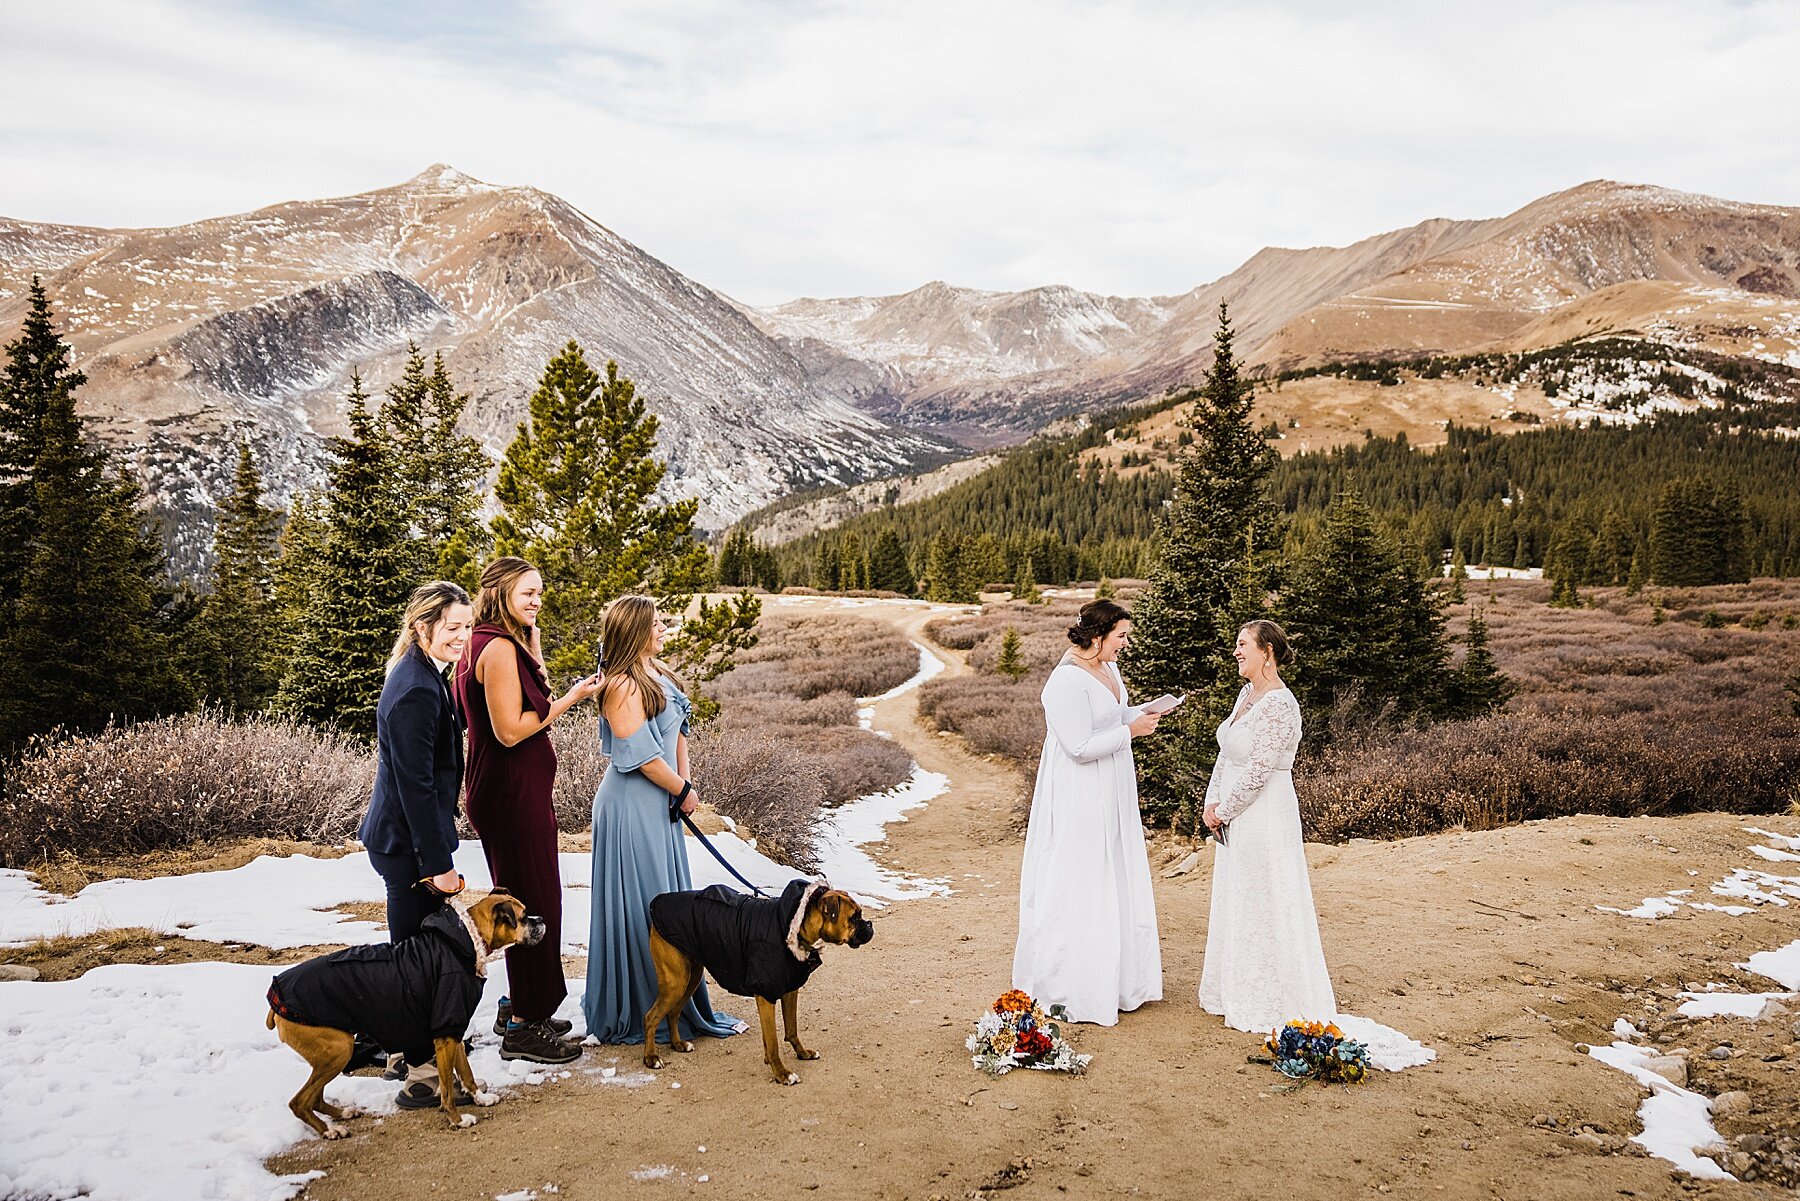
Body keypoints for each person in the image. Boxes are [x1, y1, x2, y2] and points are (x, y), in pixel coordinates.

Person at [455, 556, 602, 1065]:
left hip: (518, 793)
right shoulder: (494, 648)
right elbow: (511, 730)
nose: (537, 601)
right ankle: (522, 1026)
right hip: (510, 796)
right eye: (527, 594)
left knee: (533, 896)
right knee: (533, 904)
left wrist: (532, 638)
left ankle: (523, 1005)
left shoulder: (503, 641)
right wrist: (571, 699)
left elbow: (529, 686)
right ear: (500, 595)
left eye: (540, 593)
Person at [583, 595, 743, 1046]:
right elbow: (641, 758)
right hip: (631, 804)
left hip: (663, 799)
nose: (663, 629)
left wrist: (683, 787)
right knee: (646, 901)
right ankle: (639, 1005)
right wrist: (682, 791)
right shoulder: (621, 685)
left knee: (670, 898)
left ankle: (676, 999)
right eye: (655, 623)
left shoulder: (659, 674)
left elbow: (678, 741)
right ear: (634, 629)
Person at [1011, 598, 1164, 1025]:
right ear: (1096, 638)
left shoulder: (1108, 668)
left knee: (1114, 869)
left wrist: (1141, 715)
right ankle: (1074, 985)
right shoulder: (1063, 683)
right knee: (1083, 876)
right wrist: (1127, 732)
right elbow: (1078, 747)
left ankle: (1118, 978)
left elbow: (1110, 717)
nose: (1125, 644)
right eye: (1121, 636)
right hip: (1081, 792)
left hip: (1113, 785)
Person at [356, 580, 474, 1107]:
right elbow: (415, 787)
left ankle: (405, 1050)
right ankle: (422, 1073)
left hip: (408, 839)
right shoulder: (416, 688)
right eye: (453, 628)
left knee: (411, 951)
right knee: (418, 960)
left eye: (467, 627)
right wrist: (439, 865)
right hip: (406, 844)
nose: (462, 637)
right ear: (423, 626)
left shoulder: (425, 674)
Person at [1199, 619, 1336, 1032]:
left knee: (1266, 892)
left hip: (1265, 811)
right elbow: (1229, 754)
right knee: (1239, 894)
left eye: (1243, 645)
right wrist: (1212, 801)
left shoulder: (1279, 703)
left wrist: (1226, 809)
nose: (1236, 652)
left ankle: (1272, 995)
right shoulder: (1247, 694)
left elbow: (1260, 768)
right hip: (1237, 809)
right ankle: (1234, 986)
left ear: (1267, 652)